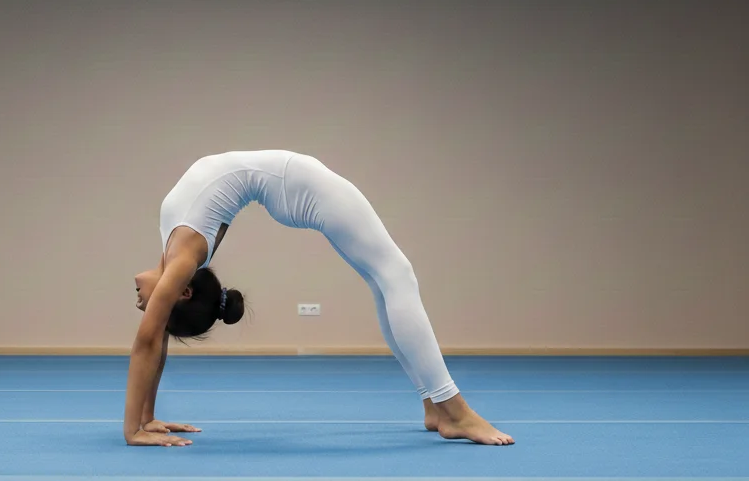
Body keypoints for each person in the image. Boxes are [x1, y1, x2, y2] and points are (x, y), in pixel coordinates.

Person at [123, 150, 514, 448]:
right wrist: (133, 430)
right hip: (299, 184)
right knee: (396, 275)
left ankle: (433, 405)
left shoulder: (175, 254)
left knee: (384, 279)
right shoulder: (182, 260)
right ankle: (454, 410)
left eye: (146, 307)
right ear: (184, 293)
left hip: (292, 185)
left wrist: (147, 417)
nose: (141, 304)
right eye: (149, 306)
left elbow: (155, 337)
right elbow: (148, 341)